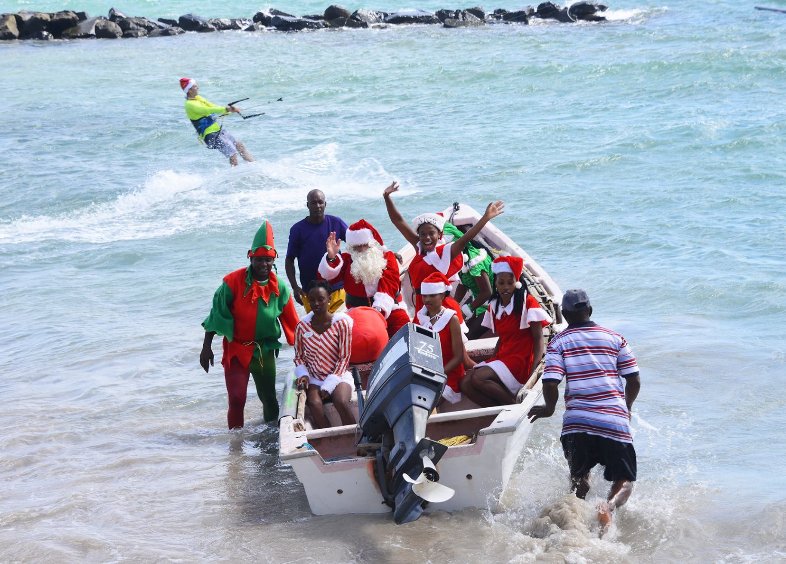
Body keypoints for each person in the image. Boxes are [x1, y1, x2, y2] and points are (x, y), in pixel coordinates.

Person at [527, 289, 641, 535]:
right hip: (614, 421)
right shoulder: (616, 338)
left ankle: (572, 525)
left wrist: (548, 408)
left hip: (577, 424)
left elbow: (550, 382)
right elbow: (634, 380)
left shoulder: (558, 342)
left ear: (565, 315)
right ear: (590, 310)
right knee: (624, 481)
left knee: (580, 481)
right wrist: (626, 408)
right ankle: (608, 507)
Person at [200, 220, 299, 428]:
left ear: (274, 261)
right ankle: (235, 450)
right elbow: (216, 315)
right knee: (237, 399)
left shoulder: (279, 287)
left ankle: (271, 444)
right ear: (250, 257)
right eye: (259, 260)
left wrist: (306, 354)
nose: (264, 265)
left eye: (268, 260)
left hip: (264, 350)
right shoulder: (232, 283)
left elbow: (294, 324)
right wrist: (206, 347)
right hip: (237, 348)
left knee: (269, 399)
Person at [382, 181, 504, 316]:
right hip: (421, 304)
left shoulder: (446, 252)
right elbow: (398, 221)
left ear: (439, 235)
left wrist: (485, 218)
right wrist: (387, 197)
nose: (427, 237)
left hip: (439, 305)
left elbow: (466, 238)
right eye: (422, 234)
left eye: (431, 234)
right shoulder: (419, 247)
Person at [461, 256, 552, 407]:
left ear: (516, 283)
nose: (505, 287)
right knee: (465, 383)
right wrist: (494, 358)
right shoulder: (494, 306)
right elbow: (502, 338)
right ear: (495, 283)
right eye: (501, 283)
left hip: (520, 360)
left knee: (478, 378)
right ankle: (498, 409)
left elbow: (538, 339)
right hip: (504, 357)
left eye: (510, 283)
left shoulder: (527, 302)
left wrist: (534, 368)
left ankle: (513, 404)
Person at [318, 219, 410, 338]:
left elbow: (388, 288)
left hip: (390, 309)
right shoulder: (347, 260)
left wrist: (376, 315)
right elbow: (326, 277)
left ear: (372, 243)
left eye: (364, 245)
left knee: (404, 331)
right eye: (357, 247)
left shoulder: (387, 258)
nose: (361, 250)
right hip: (357, 314)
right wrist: (331, 257)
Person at [294, 280, 356, 429]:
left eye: (321, 299)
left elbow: (344, 357)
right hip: (315, 377)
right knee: (314, 404)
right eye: (312, 300)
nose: (316, 304)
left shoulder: (341, 324)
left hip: (339, 375)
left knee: (340, 401)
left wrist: (330, 385)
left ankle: (357, 439)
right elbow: (298, 356)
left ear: (329, 299)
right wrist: (303, 374)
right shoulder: (302, 326)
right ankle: (330, 439)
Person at [285, 189, 348, 313]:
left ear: (325, 204)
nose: (318, 206)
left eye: (320, 202)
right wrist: (295, 287)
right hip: (311, 294)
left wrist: (380, 252)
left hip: (337, 290)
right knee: (317, 329)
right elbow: (289, 259)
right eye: (313, 203)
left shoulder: (336, 223)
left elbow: (357, 242)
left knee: (338, 326)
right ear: (308, 205)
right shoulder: (297, 229)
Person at [415, 272, 469, 405]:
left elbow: (458, 357)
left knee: (426, 402)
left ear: (443, 295)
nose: (427, 300)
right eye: (425, 295)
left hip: (449, 373)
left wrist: (437, 374)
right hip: (427, 373)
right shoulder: (419, 318)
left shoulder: (451, 319)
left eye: (432, 295)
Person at [181, 77, 254, 167]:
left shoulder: (198, 98)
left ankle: (254, 166)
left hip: (218, 130)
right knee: (232, 154)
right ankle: (235, 174)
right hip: (210, 135)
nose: (198, 87)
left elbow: (213, 106)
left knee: (239, 145)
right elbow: (207, 110)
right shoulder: (190, 104)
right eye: (195, 86)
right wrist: (226, 109)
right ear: (189, 90)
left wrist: (228, 109)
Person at [442, 221, 494, 339]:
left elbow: (487, 292)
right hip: (478, 301)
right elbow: (463, 283)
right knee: (458, 329)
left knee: (466, 336)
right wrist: (452, 306)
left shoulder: (474, 263)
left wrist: (466, 310)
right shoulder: (458, 259)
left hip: (491, 305)